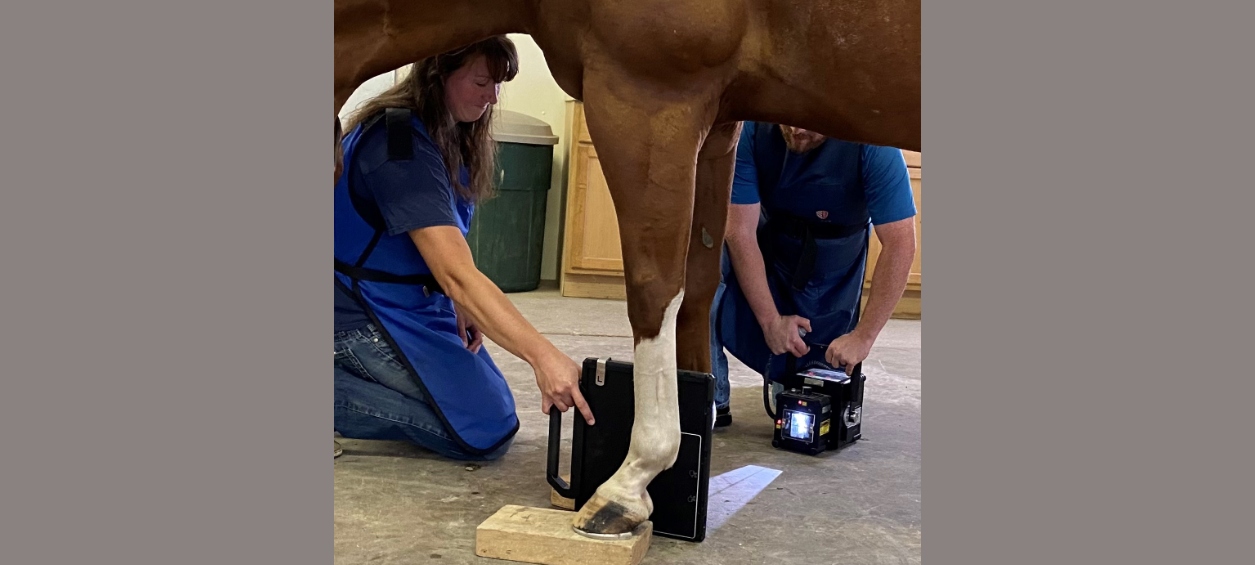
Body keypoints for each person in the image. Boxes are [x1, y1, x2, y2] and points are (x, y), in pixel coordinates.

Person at [333, 37, 594, 460]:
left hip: (408, 300)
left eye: (497, 85)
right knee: (485, 430)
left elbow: (444, 248)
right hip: (356, 311)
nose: (491, 97)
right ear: (438, 75)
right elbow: (456, 272)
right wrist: (543, 357)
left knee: (491, 410)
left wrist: (460, 302)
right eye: (480, 82)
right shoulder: (398, 144)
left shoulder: (444, 133)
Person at [710, 122, 917, 426]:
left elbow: (901, 244)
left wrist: (863, 337)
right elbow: (739, 232)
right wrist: (770, 321)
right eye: (786, 119)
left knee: (814, 380)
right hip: (771, 248)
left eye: (810, 123)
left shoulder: (874, 144)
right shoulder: (750, 131)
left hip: (834, 266)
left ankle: (795, 379)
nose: (796, 129)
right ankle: (712, 401)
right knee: (701, 260)